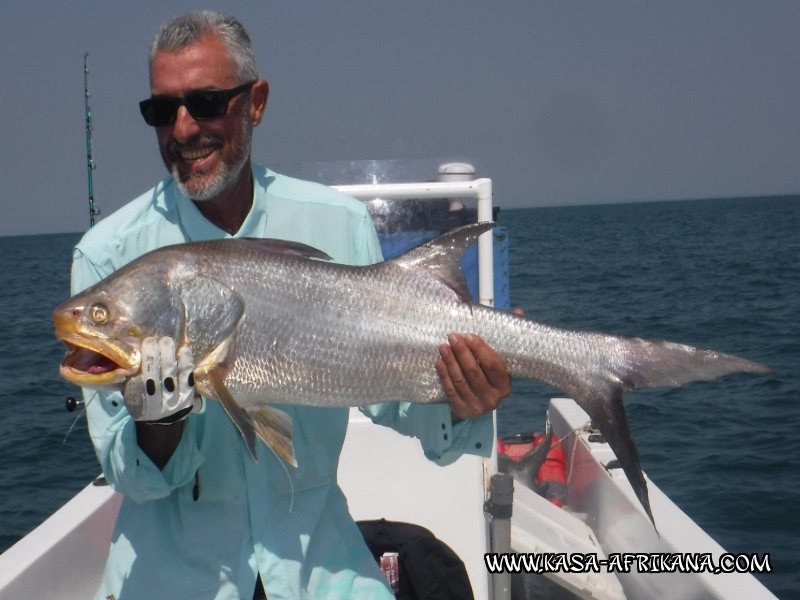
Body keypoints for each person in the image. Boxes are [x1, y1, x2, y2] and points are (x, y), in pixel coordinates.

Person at [71, 10, 511, 599]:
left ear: (256, 102)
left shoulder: (338, 222)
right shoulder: (108, 256)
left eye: (204, 103)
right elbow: (131, 475)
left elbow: (391, 400)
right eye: (161, 111)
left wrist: (462, 402)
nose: (181, 129)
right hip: (170, 578)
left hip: (319, 569)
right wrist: (160, 427)